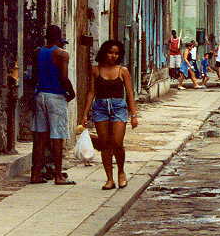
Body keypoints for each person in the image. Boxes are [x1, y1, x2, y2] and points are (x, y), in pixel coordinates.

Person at [80, 40, 139, 190]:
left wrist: (134, 115)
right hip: (100, 108)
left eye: (116, 53)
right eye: (110, 52)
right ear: (104, 52)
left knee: (117, 143)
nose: (113, 56)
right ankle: (109, 179)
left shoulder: (122, 71)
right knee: (105, 144)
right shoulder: (96, 70)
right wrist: (85, 114)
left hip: (119, 108)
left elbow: (130, 93)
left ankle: (121, 172)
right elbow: (91, 92)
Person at [30, 25, 76, 185]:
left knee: (40, 137)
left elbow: (34, 76)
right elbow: (63, 77)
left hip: (40, 95)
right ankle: (58, 175)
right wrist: (71, 92)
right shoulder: (61, 54)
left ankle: (35, 174)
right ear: (59, 38)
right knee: (58, 136)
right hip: (55, 96)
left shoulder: (38, 52)